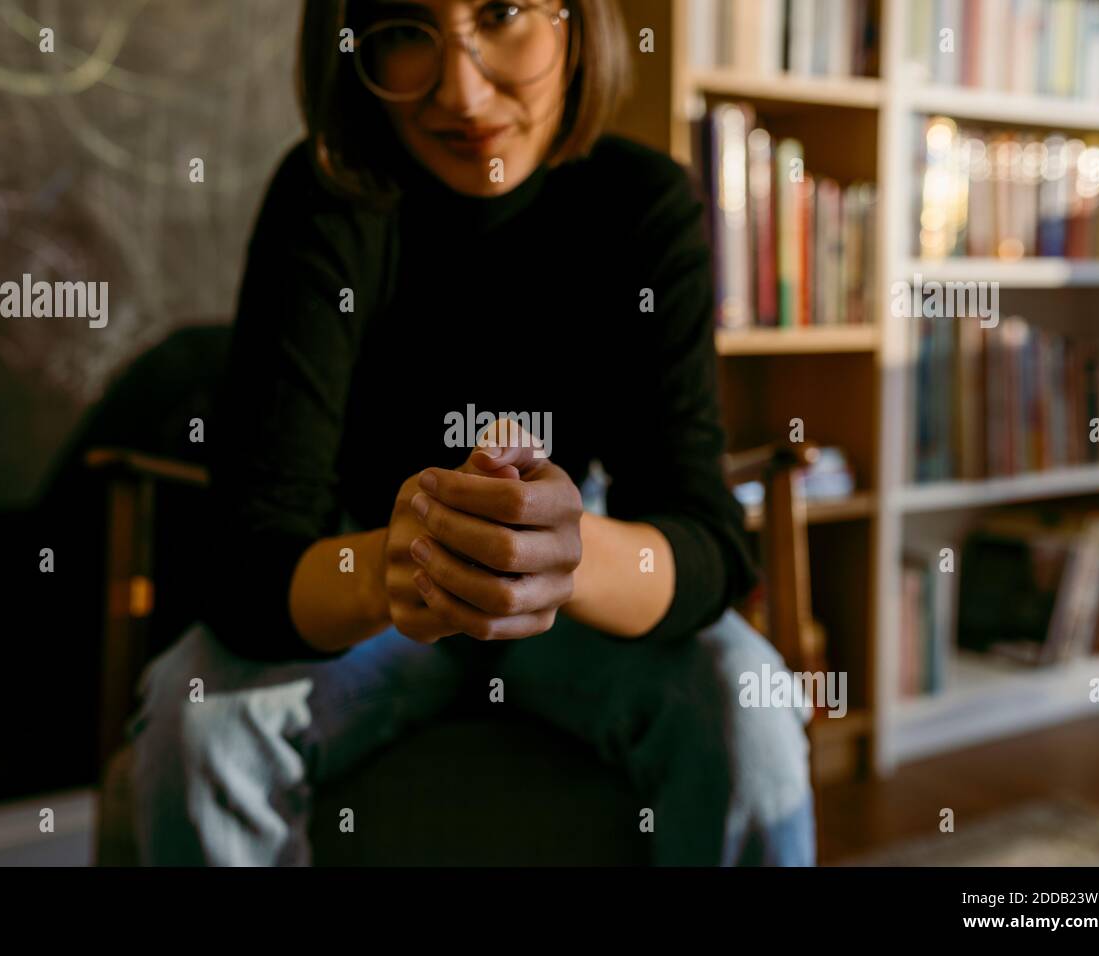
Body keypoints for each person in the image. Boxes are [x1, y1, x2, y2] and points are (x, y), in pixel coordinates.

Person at [128, 0, 815, 866]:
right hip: (364, 574)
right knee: (195, 716)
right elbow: (250, 559)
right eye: (404, 29)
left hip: (583, 588)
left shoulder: (642, 201)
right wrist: (400, 562)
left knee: (747, 700)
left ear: (578, 23)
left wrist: (562, 554)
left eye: (501, 13)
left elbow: (704, 541)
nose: (459, 91)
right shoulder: (328, 194)